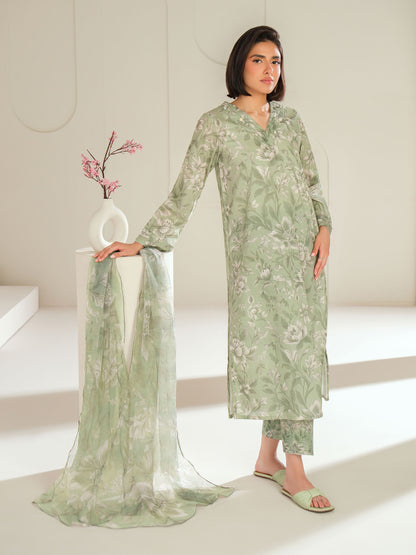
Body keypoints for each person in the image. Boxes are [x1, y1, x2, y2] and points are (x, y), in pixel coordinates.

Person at [94, 25, 334, 513]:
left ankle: (272, 460)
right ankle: (294, 472)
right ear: (239, 65)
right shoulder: (215, 126)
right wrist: (144, 240)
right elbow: (186, 190)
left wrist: (324, 225)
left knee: (301, 357)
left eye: (276, 61)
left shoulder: (291, 121)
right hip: (255, 265)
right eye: (258, 60)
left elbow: (311, 180)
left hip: (303, 257)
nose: (269, 70)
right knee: (276, 356)